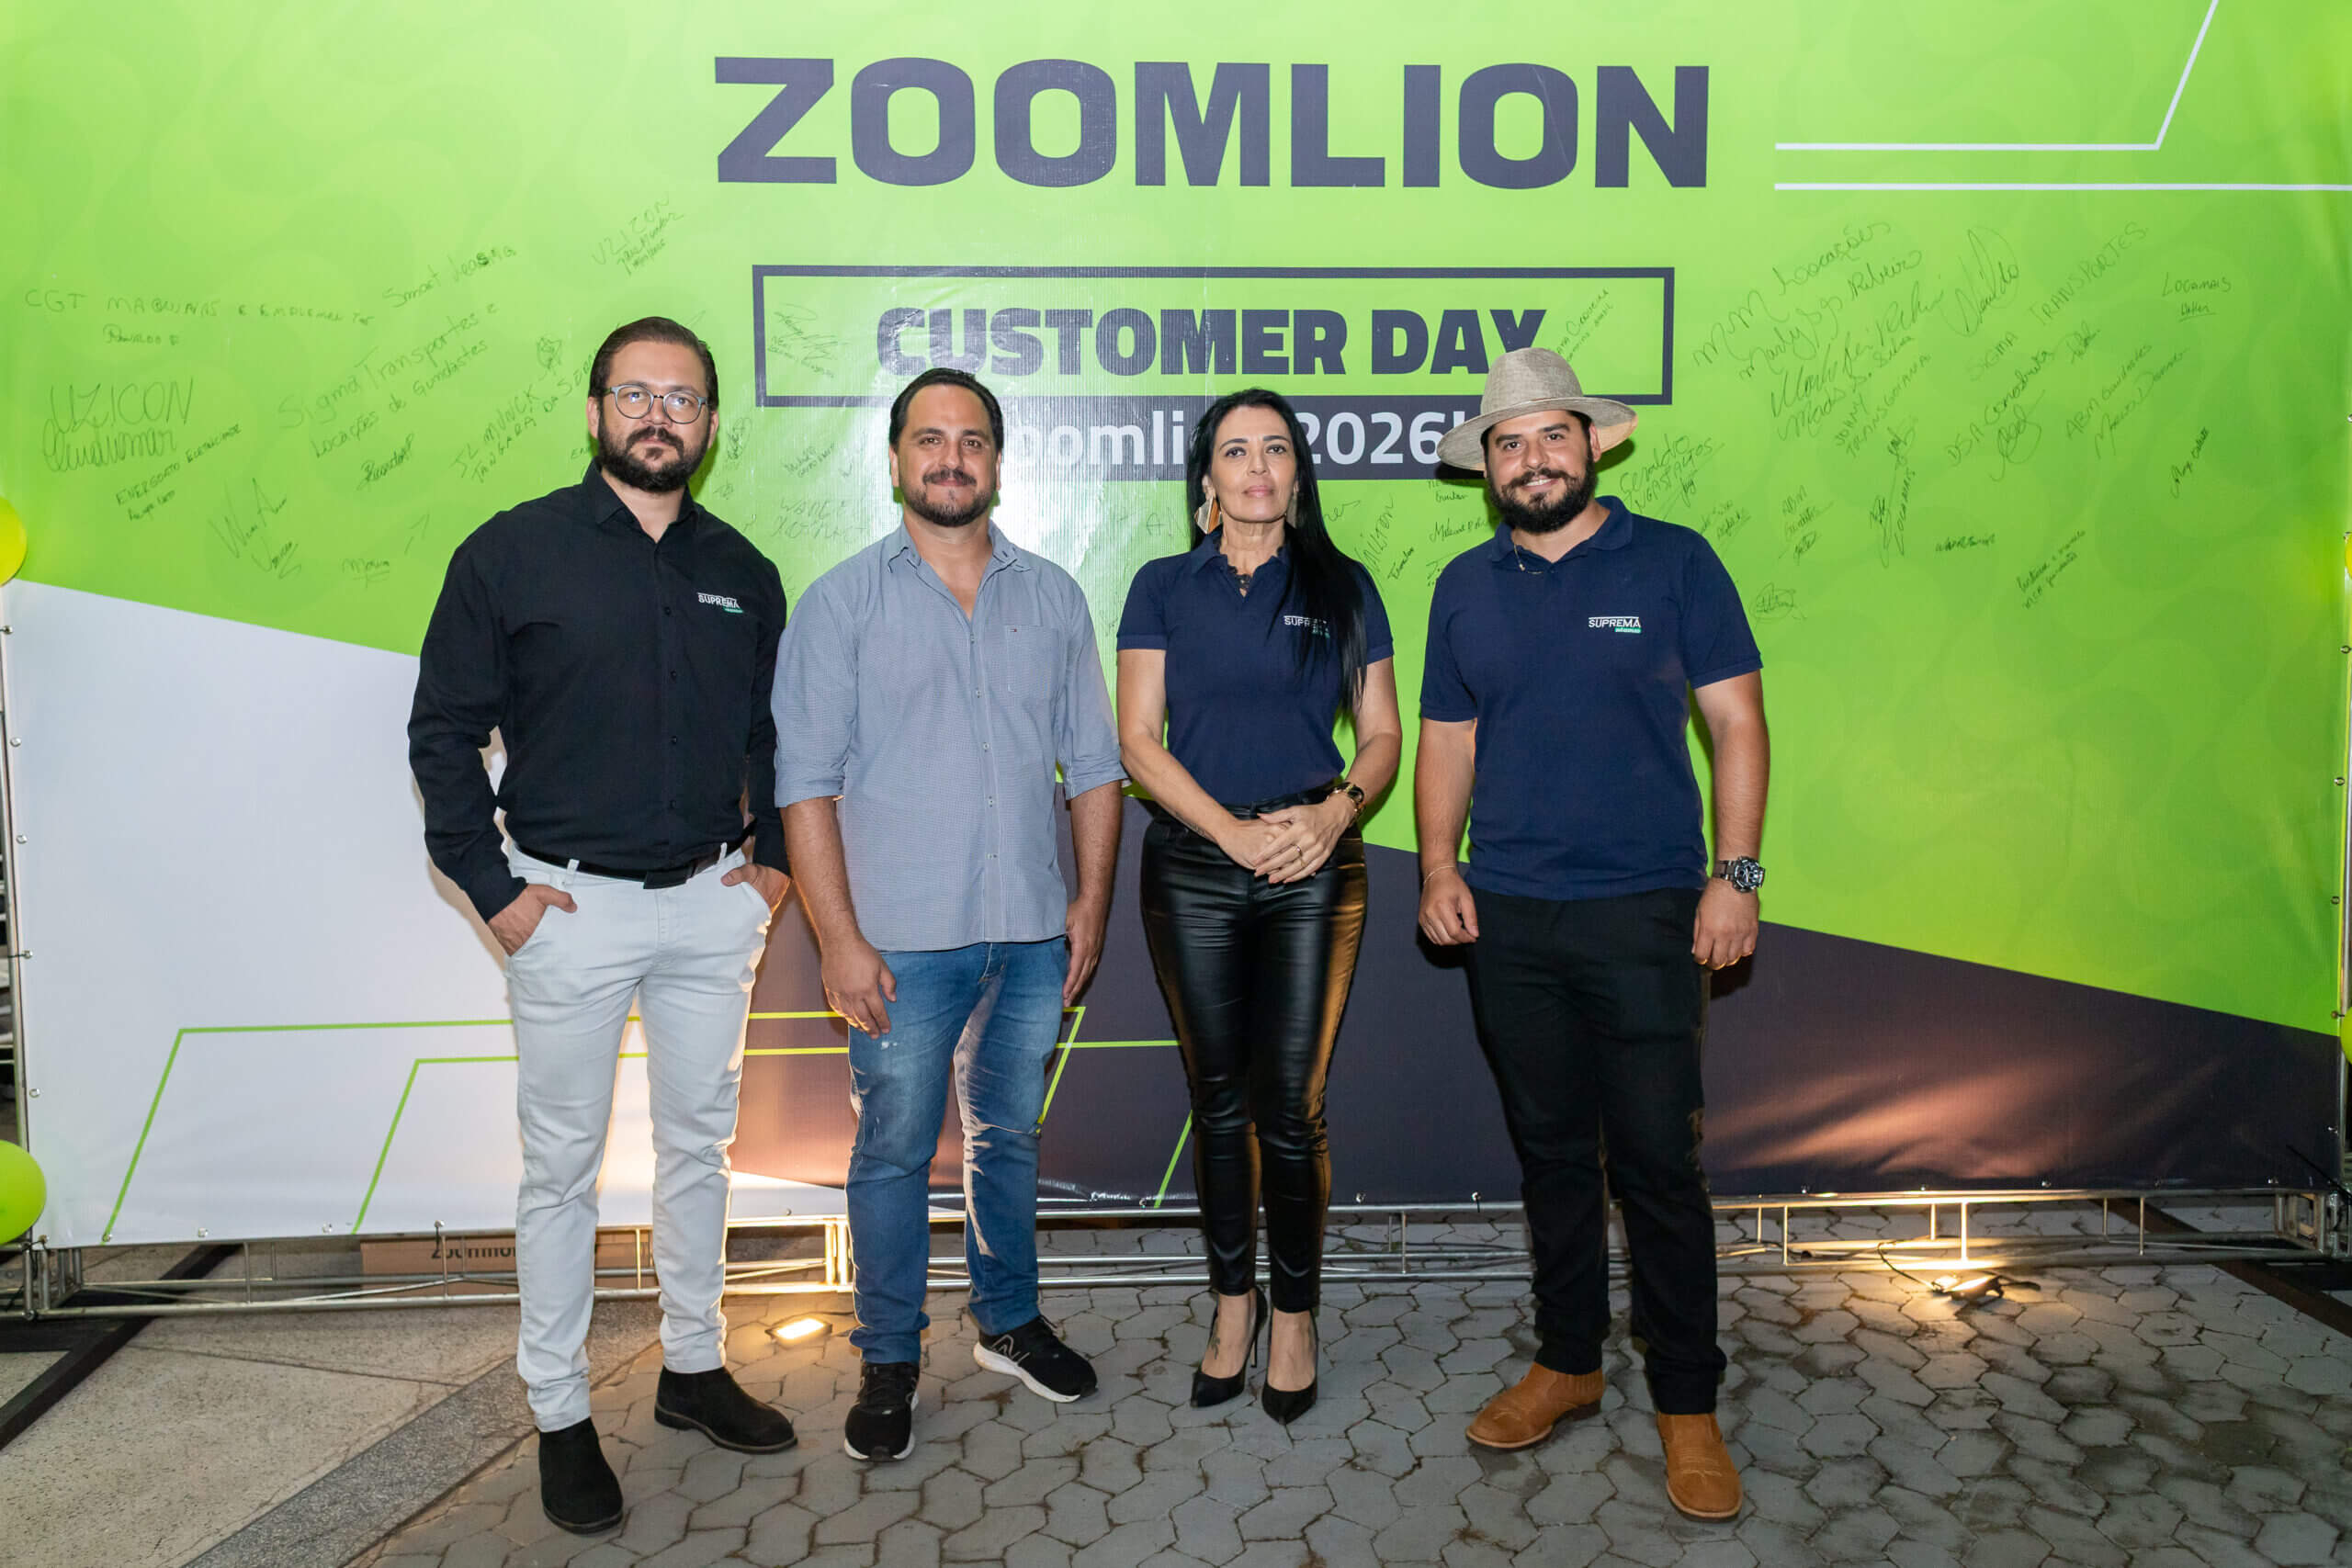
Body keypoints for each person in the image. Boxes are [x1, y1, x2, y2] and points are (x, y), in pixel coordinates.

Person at [409, 317, 797, 1536]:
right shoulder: (509, 554)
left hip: (709, 907)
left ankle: (693, 1366)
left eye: (682, 398)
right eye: (635, 393)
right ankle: (562, 1413)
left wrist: (774, 867)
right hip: (564, 911)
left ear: (711, 425)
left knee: (698, 1149)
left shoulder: (744, 570)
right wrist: (496, 891)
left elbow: (771, 737)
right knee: (562, 1169)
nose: (658, 416)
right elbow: (442, 735)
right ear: (594, 413)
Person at [1415, 347, 1769, 1521]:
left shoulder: (1674, 561)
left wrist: (1736, 878)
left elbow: (1737, 723)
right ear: (1487, 467)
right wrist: (1436, 866)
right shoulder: (1463, 585)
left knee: (1659, 1165)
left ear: (1593, 444)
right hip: (1509, 916)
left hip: (1649, 910)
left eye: (1549, 436)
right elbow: (1448, 739)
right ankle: (1568, 1362)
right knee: (1553, 1156)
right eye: (1507, 443)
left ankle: (1686, 1403)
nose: (1531, 459)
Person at [774, 367, 1125, 1461]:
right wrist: (837, 940)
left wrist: (1088, 903)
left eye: (971, 440)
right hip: (897, 945)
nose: (951, 458)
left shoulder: (1053, 598)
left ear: (998, 462)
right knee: (890, 1152)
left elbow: (1096, 768)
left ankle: (1008, 1322)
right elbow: (803, 786)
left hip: (1030, 931)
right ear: (895, 460)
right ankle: (889, 1357)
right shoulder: (841, 604)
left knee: (1007, 1135)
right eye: (929, 439)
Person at [1115, 389, 1401, 1423]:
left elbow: (1382, 736)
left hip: (1314, 864)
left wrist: (1333, 814)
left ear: (1296, 473)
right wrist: (1229, 834)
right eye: (1235, 451)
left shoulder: (1343, 585)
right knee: (1218, 1102)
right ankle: (1232, 1304)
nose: (1256, 468)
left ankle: (1295, 1315)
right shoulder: (1161, 586)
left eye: (1275, 449)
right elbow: (1137, 740)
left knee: (1291, 1108)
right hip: (1194, 865)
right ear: (1207, 478)